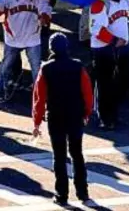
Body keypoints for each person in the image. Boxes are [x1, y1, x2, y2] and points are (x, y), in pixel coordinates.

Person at [32, 34, 94, 207]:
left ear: (52, 49)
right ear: (66, 47)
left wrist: (36, 122)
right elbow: (87, 92)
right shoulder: (78, 66)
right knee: (77, 153)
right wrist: (87, 113)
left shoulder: (46, 68)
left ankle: (62, 194)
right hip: (75, 114)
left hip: (56, 115)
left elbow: (39, 97)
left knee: (59, 156)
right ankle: (82, 191)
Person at [0, 0, 52, 104]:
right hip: (13, 38)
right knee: (6, 65)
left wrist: (44, 17)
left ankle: (40, 97)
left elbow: (46, 7)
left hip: (32, 38)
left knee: (37, 68)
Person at [87, 0, 129, 129]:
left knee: (122, 82)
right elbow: (95, 29)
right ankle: (104, 118)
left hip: (122, 49)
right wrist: (114, 40)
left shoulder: (125, 0)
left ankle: (113, 114)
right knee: (104, 85)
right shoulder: (100, 4)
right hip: (103, 50)